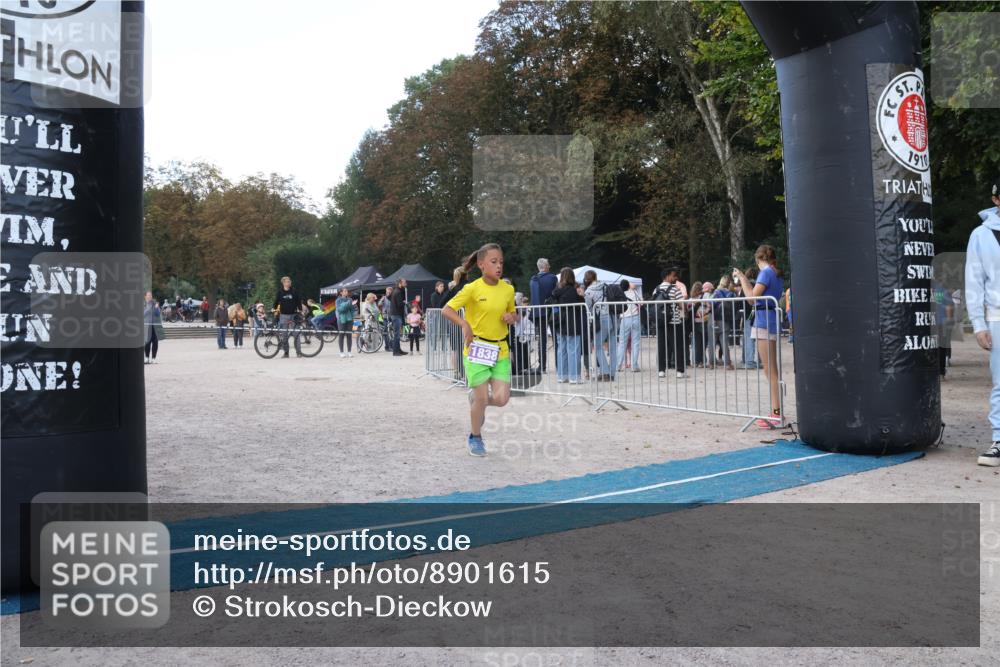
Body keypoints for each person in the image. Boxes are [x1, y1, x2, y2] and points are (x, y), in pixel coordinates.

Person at [442, 243, 519, 457]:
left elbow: (514, 314)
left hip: (500, 349)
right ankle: (475, 437)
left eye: (501, 262)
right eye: (494, 262)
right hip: (477, 348)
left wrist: (511, 317)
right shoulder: (472, 288)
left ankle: (476, 399)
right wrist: (464, 324)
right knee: (483, 397)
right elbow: (446, 310)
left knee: (502, 399)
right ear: (481, 264)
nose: (499, 266)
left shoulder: (508, 289)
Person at [965, 178, 1000, 466]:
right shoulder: (981, 235)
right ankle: (999, 439)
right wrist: (978, 323)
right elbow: (974, 281)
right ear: (995, 200)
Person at [735, 245, 784, 427]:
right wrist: (745, 280)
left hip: (763, 321)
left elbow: (751, 299)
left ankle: (776, 413)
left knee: (769, 371)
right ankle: (777, 411)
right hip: (770, 319)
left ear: (758, 259)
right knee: (772, 370)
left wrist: (742, 279)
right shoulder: (775, 273)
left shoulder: (765, 273)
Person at [550, 267, 585, 384]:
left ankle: (562, 375)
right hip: (573, 323)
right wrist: (581, 296)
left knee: (561, 349)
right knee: (573, 349)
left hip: (560, 323)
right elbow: (580, 304)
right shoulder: (573, 290)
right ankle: (574, 377)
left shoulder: (556, 291)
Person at [583, 269, 619, 382]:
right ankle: (612, 373)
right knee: (612, 346)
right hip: (612, 318)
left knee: (597, 345)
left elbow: (588, 308)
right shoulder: (605, 286)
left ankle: (605, 372)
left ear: (586, 279)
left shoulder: (588, 291)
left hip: (601, 319)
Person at [651, 267, 686, 379]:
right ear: (667, 276)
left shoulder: (656, 289)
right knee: (677, 345)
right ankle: (679, 371)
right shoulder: (675, 289)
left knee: (661, 345)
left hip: (660, 321)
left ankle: (661, 370)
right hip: (674, 321)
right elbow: (682, 305)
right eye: (673, 275)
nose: (675, 277)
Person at [529, 258, 558, 372]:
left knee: (542, 340)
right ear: (545, 266)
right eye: (549, 265)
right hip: (551, 312)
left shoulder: (533, 279)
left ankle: (542, 366)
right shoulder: (552, 278)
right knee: (556, 338)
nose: (550, 267)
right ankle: (558, 365)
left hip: (538, 313)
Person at [272, 275, 304, 358]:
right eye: (288, 281)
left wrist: (300, 310)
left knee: (296, 334)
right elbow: (276, 301)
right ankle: (286, 353)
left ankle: (299, 352)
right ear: (284, 283)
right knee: (284, 335)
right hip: (283, 315)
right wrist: (273, 308)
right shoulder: (280, 292)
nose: (290, 282)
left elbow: (298, 301)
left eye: (290, 281)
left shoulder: (294, 291)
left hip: (294, 315)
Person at [616, 280, 642, 372]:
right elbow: (641, 303)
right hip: (635, 317)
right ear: (628, 286)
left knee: (622, 343)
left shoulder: (619, 295)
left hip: (625, 318)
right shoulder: (634, 292)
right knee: (635, 342)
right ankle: (634, 366)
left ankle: (618, 365)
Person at [712, 276, 736, 370]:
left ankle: (711, 363)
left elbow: (712, 305)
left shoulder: (716, 292)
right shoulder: (731, 293)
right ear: (729, 282)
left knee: (712, 342)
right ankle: (727, 364)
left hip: (715, 318)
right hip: (725, 319)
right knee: (724, 342)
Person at [933, 285, 955, 380]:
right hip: (942, 323)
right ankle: (941, 373)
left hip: (928, 322)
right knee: (942, 347)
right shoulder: (943, 291)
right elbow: (948, 307)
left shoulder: (925, 290)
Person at [143, 291, 164, 364]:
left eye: (151, 295)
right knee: (147, 343)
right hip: (146, 326)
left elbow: (158, 314)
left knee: (155, 342)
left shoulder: (155, 304)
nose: (150, 297)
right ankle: (146, 358)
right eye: (148, 295)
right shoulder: (143, 304)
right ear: (145, 296)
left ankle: (154, 358)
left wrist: (156, 308)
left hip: (154, 326)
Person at [389, 278, 408, 356]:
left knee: (397, 334)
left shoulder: (396, 290)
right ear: (400, 283)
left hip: (396, 314)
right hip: (396, 315)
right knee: (397, 334)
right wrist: (405, 303)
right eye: (404, 282)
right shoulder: (398, 292)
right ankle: (395, 352)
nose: (406, 283)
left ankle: (398, 350)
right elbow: (399, 304)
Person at [335, 288, 355, 357]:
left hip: (350, 319)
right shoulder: (338, 300)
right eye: (345, 291)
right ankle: (341, 352)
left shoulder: (350, 299)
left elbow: (352, 309)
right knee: (341, 335)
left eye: (347, 291)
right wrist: (348, 305)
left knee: (349, 335)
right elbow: (340, 310)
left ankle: (349, 351)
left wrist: (352, 317)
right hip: (341, 319)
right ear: (341, 292)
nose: (346, 292)